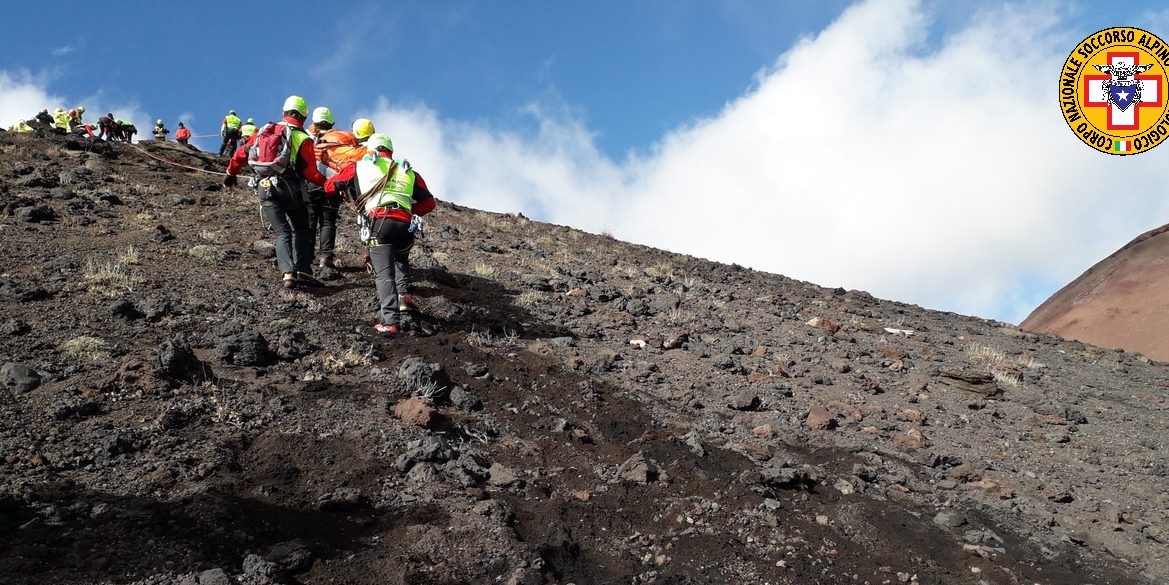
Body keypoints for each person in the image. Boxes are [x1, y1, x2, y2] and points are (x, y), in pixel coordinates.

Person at [325, 132, 436, 334]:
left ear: (370, 149)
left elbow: (329, 186)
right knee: (401, 257)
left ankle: (390, 322)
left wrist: (344, 190)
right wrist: (408, 212)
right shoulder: (408, 171)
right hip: (405, 224)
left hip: (379, 221)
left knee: (384, 273)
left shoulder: (358, 166)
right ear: (390, 151)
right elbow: (429, 202)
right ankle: (404, 296)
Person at [222, 95, 328, 290]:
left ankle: (287, 273)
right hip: (290, 187)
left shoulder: (265, 131)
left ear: (284, 112)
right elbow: (311, 173)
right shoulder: (303, 138)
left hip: (264, 187)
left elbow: (240, 154)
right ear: (304, 117)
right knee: (302, 228)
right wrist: (328, 184)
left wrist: (230, 174)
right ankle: (303, 270)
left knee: (281, 232)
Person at [305, 107, 342, 268]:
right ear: (331, 123)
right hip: (332, 184)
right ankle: (325, 257)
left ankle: (306, 255)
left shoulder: (307, 136)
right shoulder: (339, 139)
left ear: (314, 122)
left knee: (310, 220)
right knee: (328, 222)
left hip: (312, 183)